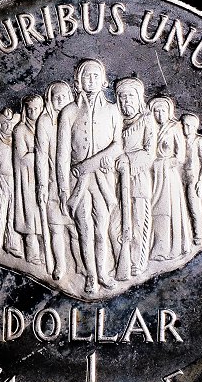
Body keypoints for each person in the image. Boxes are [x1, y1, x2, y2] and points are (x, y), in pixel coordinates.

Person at [56, 59, 122, 294]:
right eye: (86, 76)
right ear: (79, 80)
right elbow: (62, 154)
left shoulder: (113, 110)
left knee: (101, 229)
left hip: (103, 180)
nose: (91, 80)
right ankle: (91, 276)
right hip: (78, 182)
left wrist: (92, 163)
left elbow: (117, 145)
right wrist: (62, 188)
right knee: (84, 229)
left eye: (95, 76)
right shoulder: (69, 112)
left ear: (103, 80)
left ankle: (103, 273)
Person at [35, 81, 82, 279]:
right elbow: (41, 155)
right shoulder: (45, 121)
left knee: (76, 227)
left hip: (76, 181)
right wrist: (42, 185)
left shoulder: (78, 116)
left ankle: (80, 265)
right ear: (50, 99)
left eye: (64, 96)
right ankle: (61, 266)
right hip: (53, 182)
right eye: (56, 97)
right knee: (56, 228)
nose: (61, 100)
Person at [115, 77, 154, 277]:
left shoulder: (146, 120)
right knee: (115, 226)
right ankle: (119, 261)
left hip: (138, 179)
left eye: (130, 96)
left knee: (139, 224)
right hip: (115, 181)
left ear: (139, 98)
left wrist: (128, 160)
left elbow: (150, 153)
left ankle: (138, 262)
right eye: (122, 97)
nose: (126, 100)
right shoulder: (115, 121)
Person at [149, 97, 191, 260]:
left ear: (169, 112)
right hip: (152, 175)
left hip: (168, 175)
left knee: (168, 210)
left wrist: (165, 163)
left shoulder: (174, 128)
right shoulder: (151, 127)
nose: (159, 114)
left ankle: (172, 248)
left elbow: (180, 156)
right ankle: (157, 248)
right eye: (156, 111)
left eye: (163, 111)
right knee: (155, 211)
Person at [0, 108, 23, 257]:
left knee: (14, 213)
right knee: (0, 213)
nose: (8, 126)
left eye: (10, 123)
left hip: (15, 179)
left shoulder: (16, 139)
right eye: (4, 124)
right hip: (1, 180)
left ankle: (12, 245)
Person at [13, 94, 44, 264]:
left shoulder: (46, 126)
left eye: (36, 109)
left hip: (45, 178)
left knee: (44, 217)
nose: (33, 112)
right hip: (28, 179)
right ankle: (32, 254)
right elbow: (22, 157)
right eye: (29, 109)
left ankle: (45, 253)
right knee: (30, 216)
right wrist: (40, 154)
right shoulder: (20, 130)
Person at [181, 113, 202, 246]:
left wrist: (201, 181)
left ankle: (199, 235)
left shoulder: (200, 141)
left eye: (188, 126)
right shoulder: (182, 140)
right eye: (184, 125)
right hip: (182, 177)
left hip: (194, 179)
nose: (185, 128)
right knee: (184, 207)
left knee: (194, 207)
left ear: (194, 127)